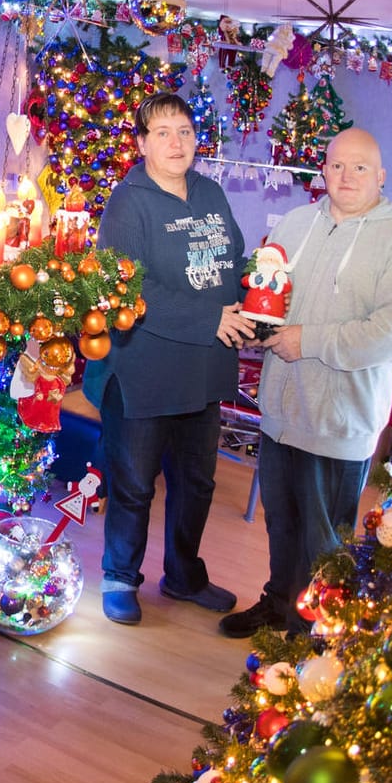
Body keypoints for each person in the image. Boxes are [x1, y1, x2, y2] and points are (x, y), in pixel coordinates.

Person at [218, 128, 392, 639]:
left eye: (360, 167)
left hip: (339, 421)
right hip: (280, 410)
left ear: (381, 176)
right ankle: (277, 603)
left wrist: (307, 340)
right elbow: (269, 295)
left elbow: (389, 334)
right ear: (323, 171)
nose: (346, 176)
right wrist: (254, 320)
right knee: (281, 523)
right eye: (336, 166)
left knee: (325, 540)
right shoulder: (296, 223)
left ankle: (312, 634)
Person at [84, 92, 252, 625]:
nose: (176, 142)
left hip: (202, 369)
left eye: (183, 130)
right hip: (142, 371)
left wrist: (261, 285)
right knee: (134, 483)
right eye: (162, 133)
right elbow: (132, 286)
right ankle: (119, 577)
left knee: (197, 483)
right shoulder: (128, 202)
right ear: (141, 144)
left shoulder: (210, 192)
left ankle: (182, 576)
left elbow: (231, 258)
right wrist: (210, 320)